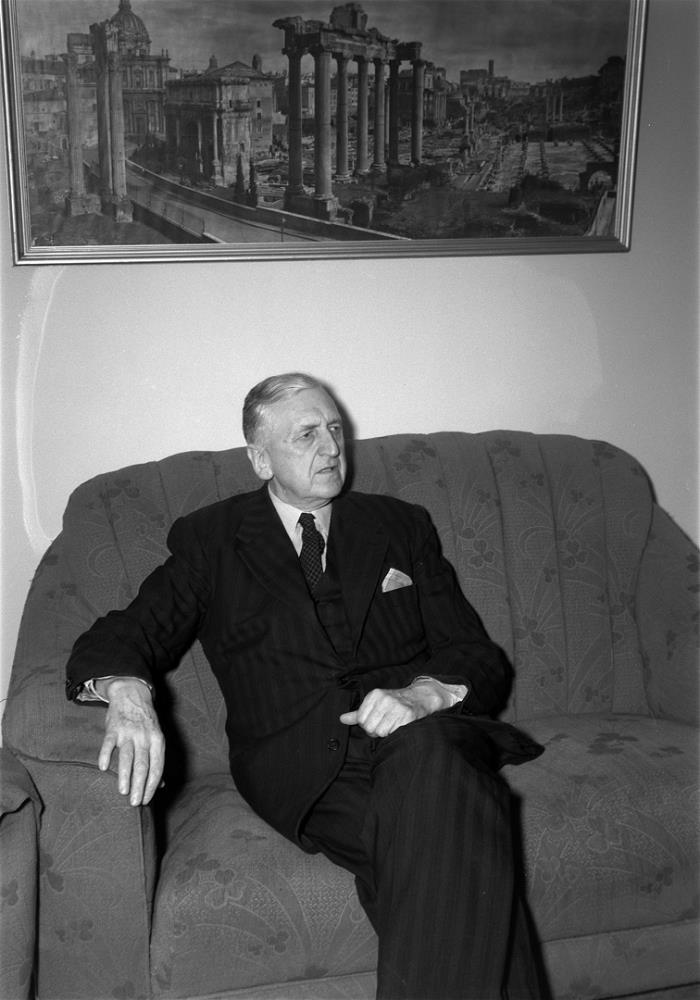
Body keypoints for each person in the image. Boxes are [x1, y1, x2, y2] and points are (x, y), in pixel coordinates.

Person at [65, 372, 550, 1000]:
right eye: (306, 435)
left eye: (335, 430)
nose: (331, 448)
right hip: (302, 762)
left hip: (421, 736)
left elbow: (475, 653)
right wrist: (128, 692)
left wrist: (425, 694)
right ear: (261, 459)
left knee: (432, 779)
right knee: (452, 837)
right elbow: (130, 630)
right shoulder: (212, 539)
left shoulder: (400, 525)